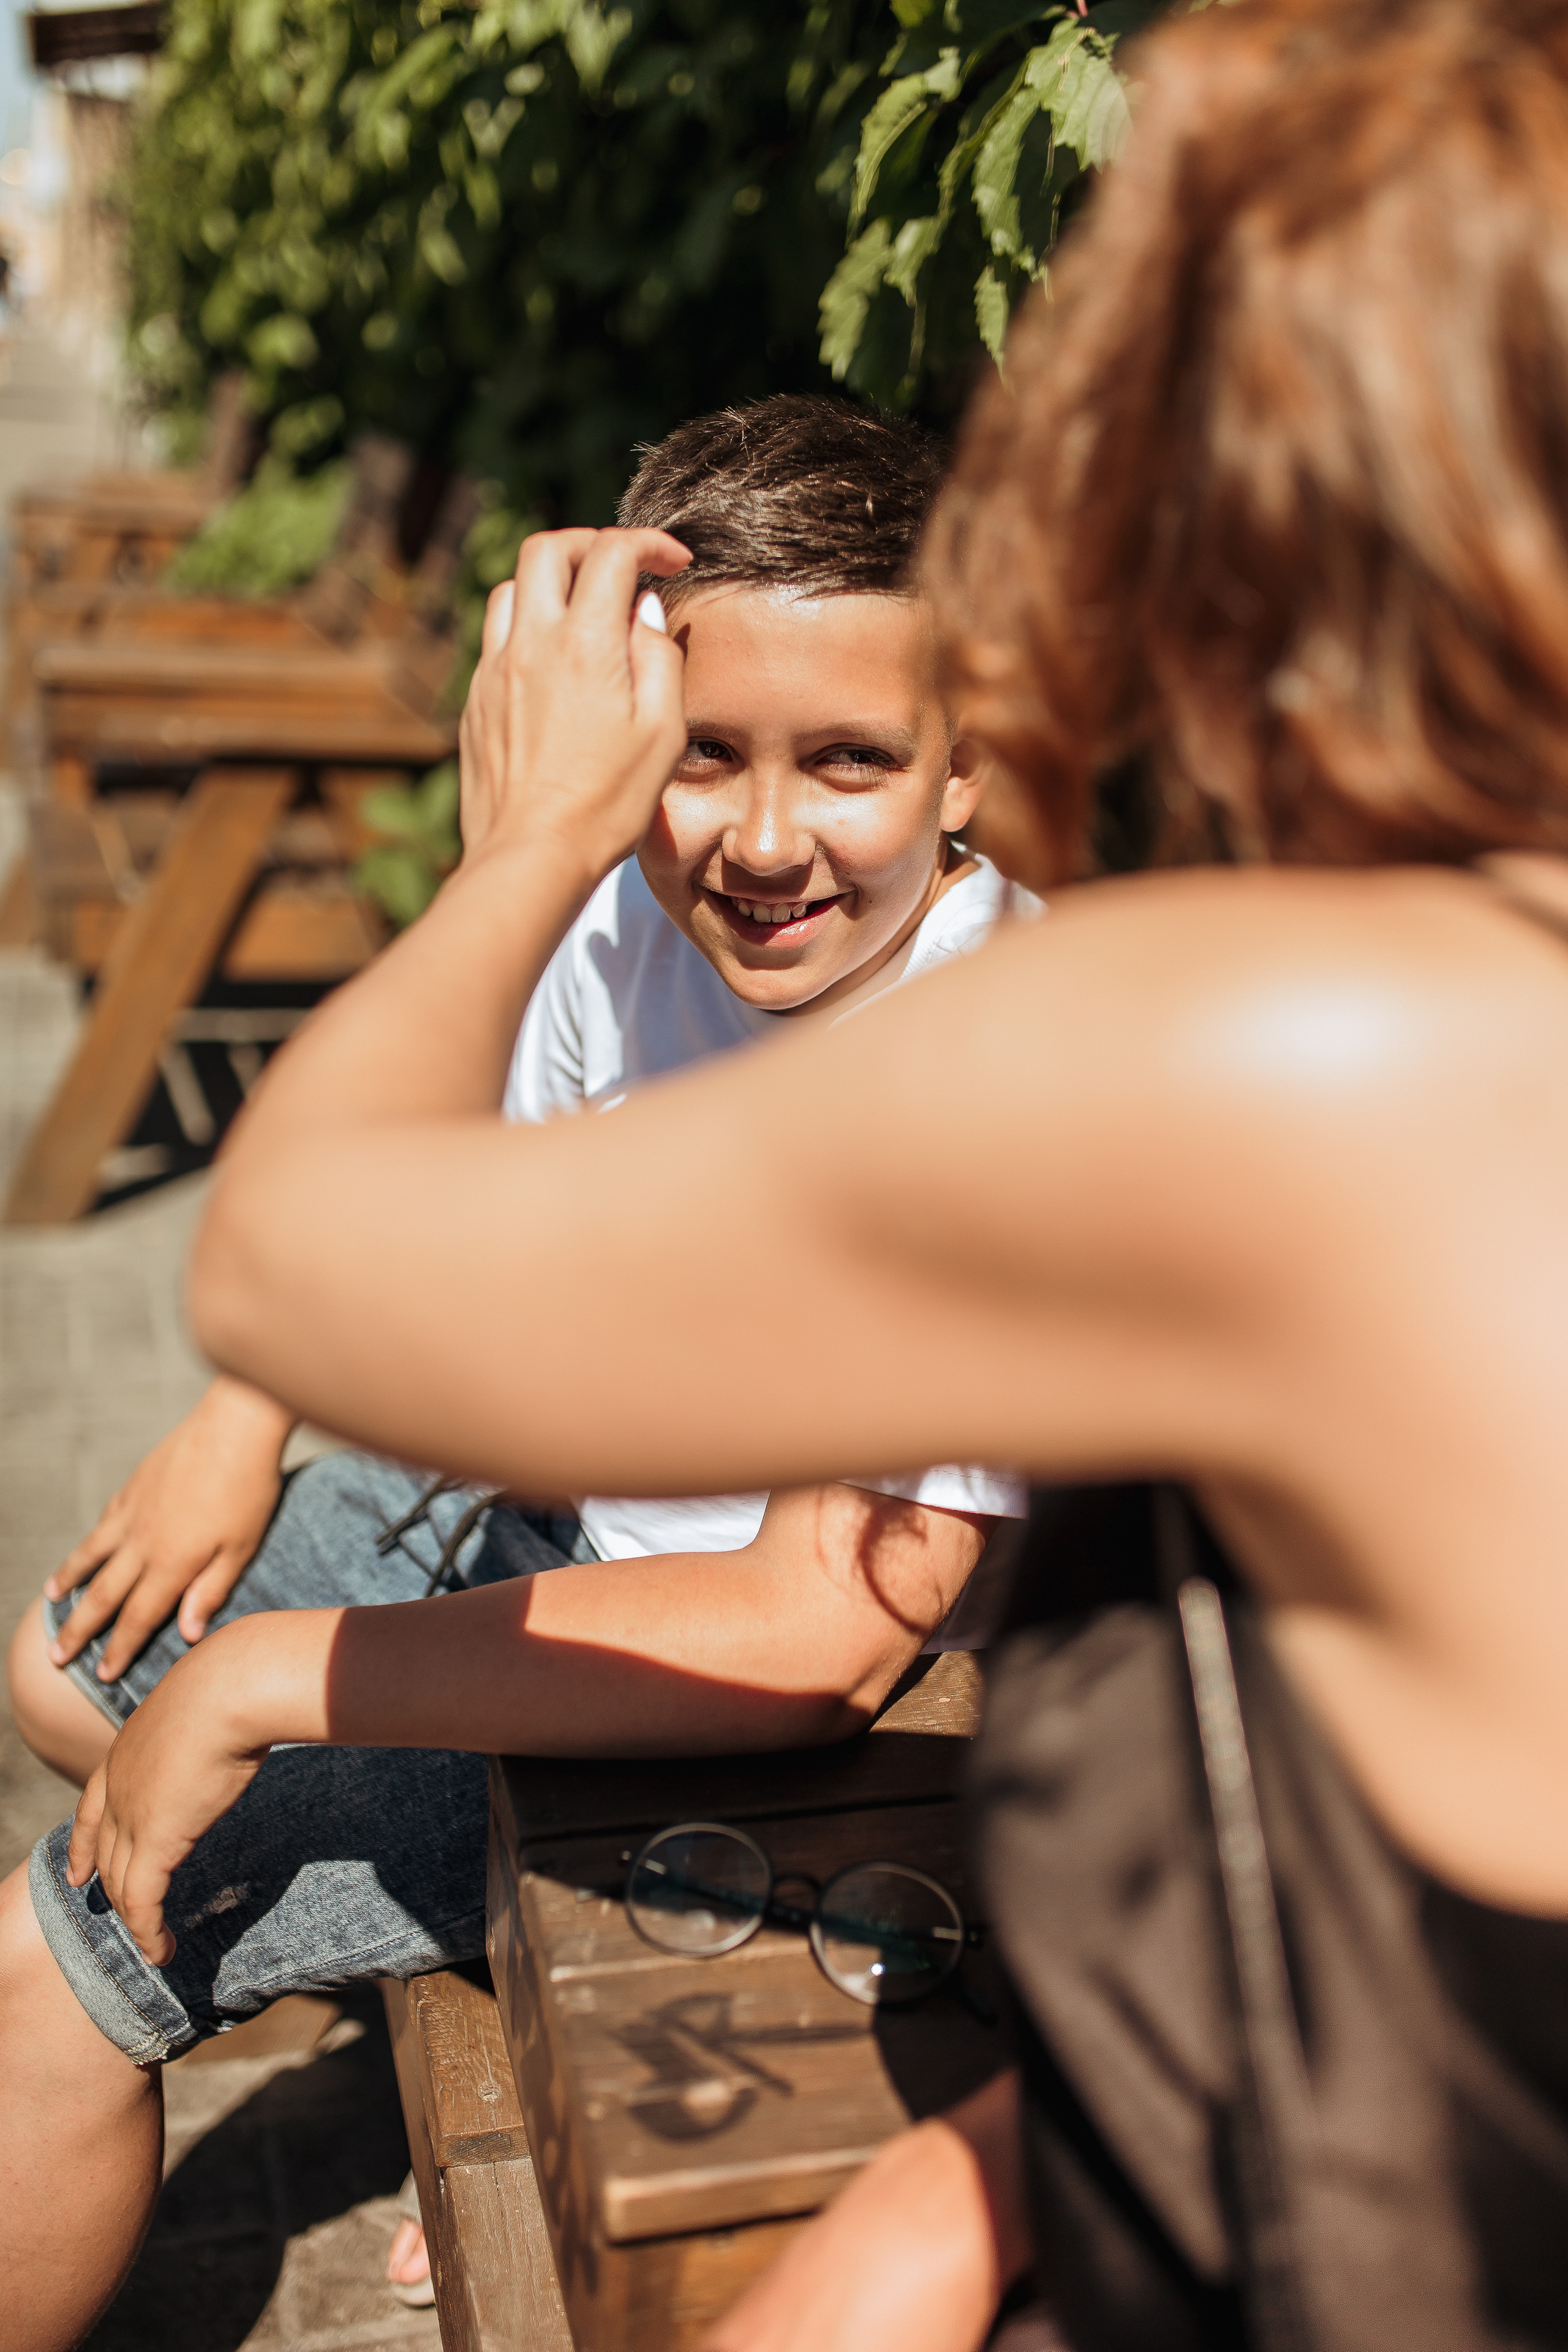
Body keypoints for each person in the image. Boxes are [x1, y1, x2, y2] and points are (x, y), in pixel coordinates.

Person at [12, 0, 1568, 2339]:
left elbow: (297, 1261)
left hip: (945, 1869)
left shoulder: (1285, 1041)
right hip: (1258, 2093)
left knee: (88, 1885)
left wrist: (518, 841)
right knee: (83, 1691)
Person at [0, 391, 1030, 2341]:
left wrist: (262, 1684)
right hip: (564, 1528)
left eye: (850, 760)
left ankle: (443, 1931)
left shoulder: (985, 1067)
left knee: (60, 1949)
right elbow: (446, 1209)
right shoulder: (625, 911)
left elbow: (820, 1639)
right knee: (67, 1666)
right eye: (701, 753)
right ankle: (446, 1935)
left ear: (966, 765)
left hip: (757, 1723)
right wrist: (240, 1422)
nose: (764, 840)